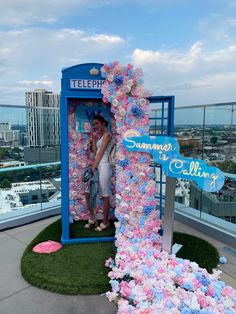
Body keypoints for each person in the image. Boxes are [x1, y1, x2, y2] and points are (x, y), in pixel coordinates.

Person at [84, 114, 112, 231]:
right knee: (87, 191)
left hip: (104, 166)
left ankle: (105, 221)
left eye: (97, 123)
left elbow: (101, 154)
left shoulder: (107, 135)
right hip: (98, 164)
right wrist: (94, 141)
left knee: (105, 194)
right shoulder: (100, 136)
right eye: (93, 124)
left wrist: (92, 168)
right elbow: (96, 153)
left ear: (103, 123)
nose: (95, 126)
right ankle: (92, 217)